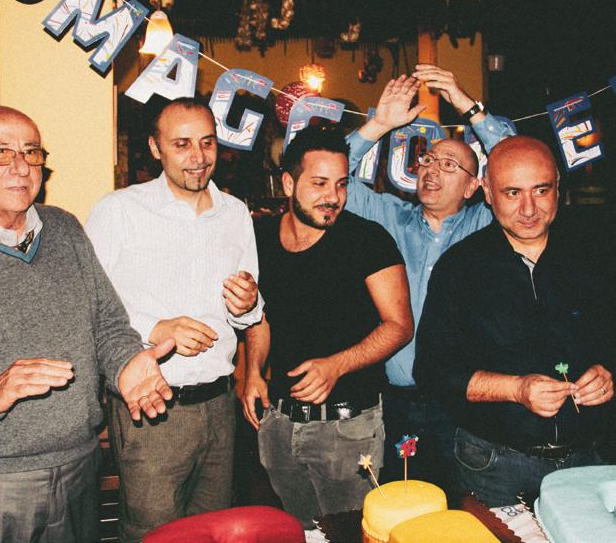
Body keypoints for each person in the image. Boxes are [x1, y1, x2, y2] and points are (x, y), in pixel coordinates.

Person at [0, 104, 174, 543]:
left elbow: (107, 323)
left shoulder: (65, 229)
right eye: (0, 152)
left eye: (31, 152)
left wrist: (125, 364)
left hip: (80, 468)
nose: (21, 166)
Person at [85, 98, 263, 542]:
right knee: (154, 535)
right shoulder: (119, 210)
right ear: (155, 148)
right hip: (153, 409)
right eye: (181, 144)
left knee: (214, 532)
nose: (198, 156)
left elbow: (249, 310)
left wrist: (248, 303)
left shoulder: (235, 213)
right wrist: (154, 327)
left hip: (220, 404)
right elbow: (87, 301)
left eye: (207, 142)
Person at [414, 136, 614, 507]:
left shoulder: (596, 252)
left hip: (591, 458)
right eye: (512, 193)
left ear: (558, 187)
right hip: (494, 466)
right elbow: (432, 370)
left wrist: (609, 373)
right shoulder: (459, 268)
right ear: (488, 193)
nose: (529, 209)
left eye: (541, 190)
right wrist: (516, 389)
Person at [345, 65, 513, 496]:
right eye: (428, 160)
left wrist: (468, 107)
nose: (432, 170)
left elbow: (517, 166)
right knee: (402, 505)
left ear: (474, 187)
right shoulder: (390, 216)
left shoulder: (485, 226)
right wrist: (379, 124)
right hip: (397, 403)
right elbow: (327, 179)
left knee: (464, 510)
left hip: (465, 407)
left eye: (450, 165)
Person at [242, 127, 413, 537]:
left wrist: (336, 365)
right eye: (319, 184)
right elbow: (260, 317)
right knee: (298, 533)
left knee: (351, 534)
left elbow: (400, 325)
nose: (333, 196)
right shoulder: (259, 239)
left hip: (348, 429)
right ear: (289, 183)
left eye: (340, 184)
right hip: (279, 425)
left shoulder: (367, 240)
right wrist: (253, 372)